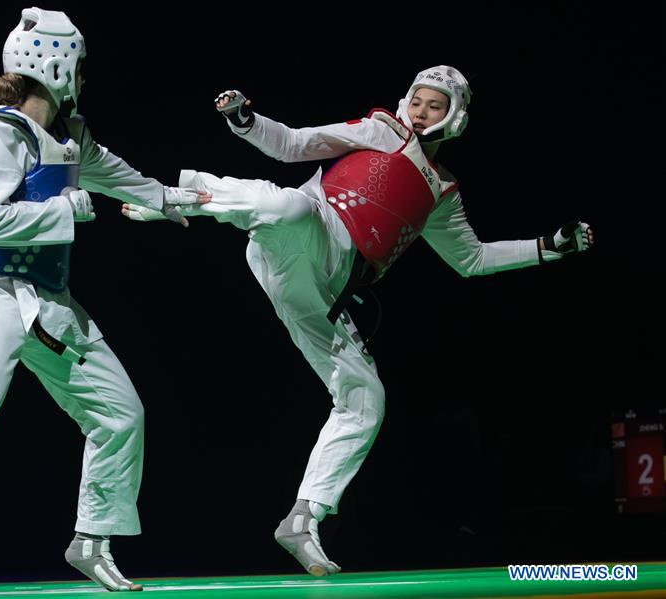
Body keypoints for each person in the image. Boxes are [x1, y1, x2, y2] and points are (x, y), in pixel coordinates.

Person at [123, 65, 593, 576]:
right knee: (287, 207)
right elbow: (295, 144)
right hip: (310, 231)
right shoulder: (380, 130)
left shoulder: (443, 192)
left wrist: (548, 249)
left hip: (321, 287)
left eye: (435, 106)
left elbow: (472, 259)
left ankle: (304, 517)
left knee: (367, 398)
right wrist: (245, 120)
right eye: (417, 100)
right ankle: (170, 198)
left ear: (455, 119)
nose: (421, 112)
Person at [0, 7, 207, 595]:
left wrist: (175, 199)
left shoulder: (69, 134)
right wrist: (65, 210)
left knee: (119, 412)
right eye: (78, 66)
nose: (83, 77)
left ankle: (93, 540)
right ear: (53, 65)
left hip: (49, 300)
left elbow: (113, 172)